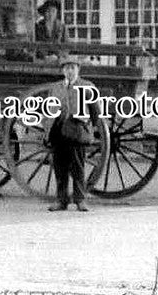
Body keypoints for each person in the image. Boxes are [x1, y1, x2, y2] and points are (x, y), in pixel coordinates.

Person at [47, 54, 100, 212]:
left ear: (78, 70)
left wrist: (91, 127)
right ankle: (61, 200)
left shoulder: (87, 86)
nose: (70, 71)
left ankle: (80, 200)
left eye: (73, 68)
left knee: (78, 166)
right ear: (63, 70)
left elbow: (95, 110)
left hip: (77, 131)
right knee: (60, 167)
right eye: (67, 68)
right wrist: (47, 131)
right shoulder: (55, 88)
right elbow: (48, 111)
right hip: (58, 131)